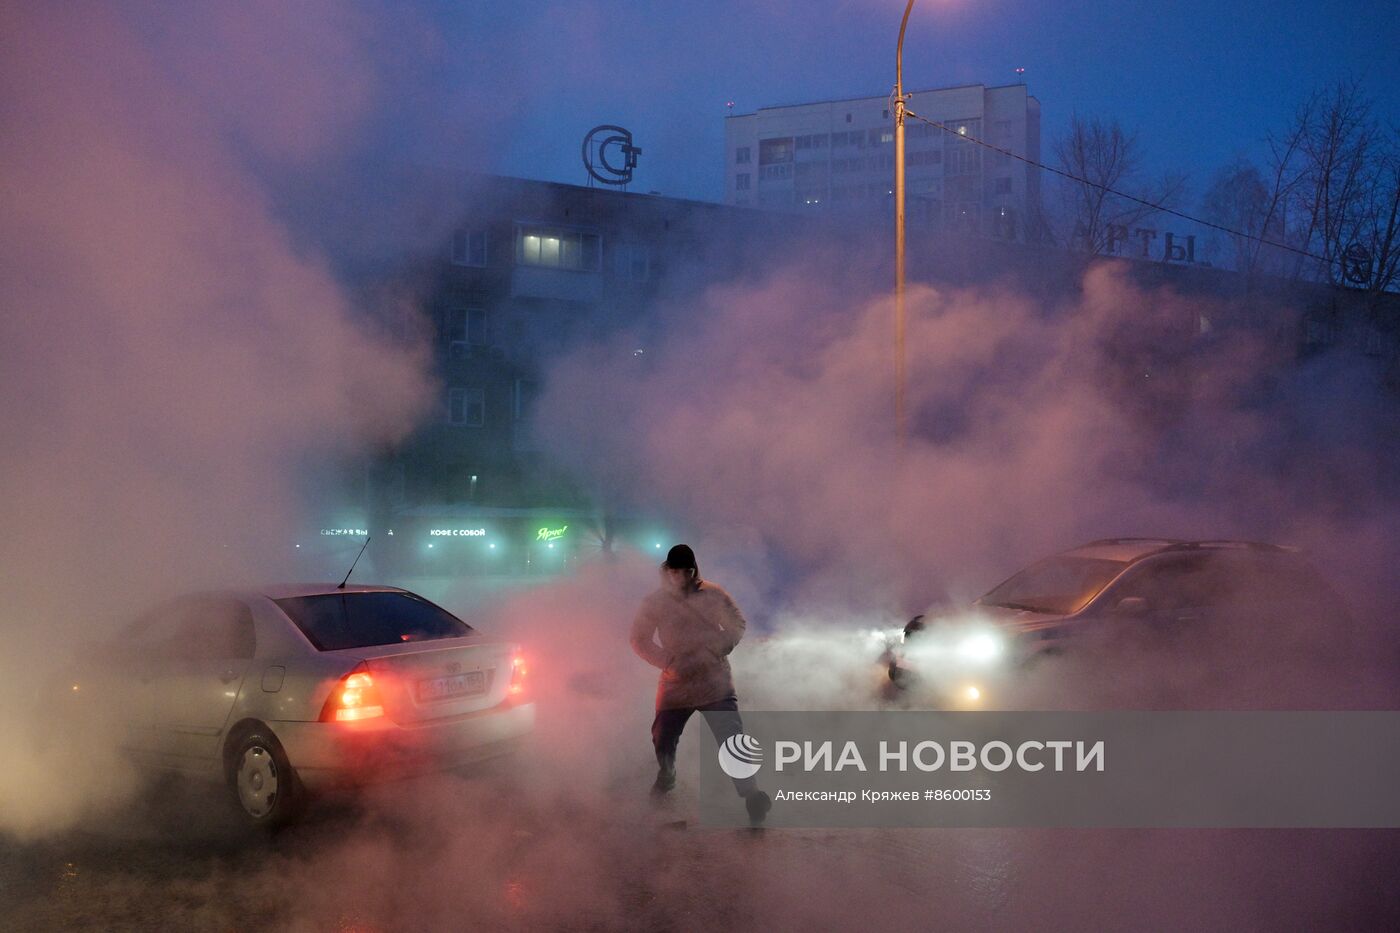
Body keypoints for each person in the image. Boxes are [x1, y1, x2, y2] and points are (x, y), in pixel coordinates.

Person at [629, 544, 771, 826]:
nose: (682, 576)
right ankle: (667, 776)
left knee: (732, 741)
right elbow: (638, 638)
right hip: (675, 682)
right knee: (663, 738)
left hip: (713, 680)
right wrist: (665, 660)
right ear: (668, 571)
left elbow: (736, 623)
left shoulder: (713, 594)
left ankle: (751, 795)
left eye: (687, 571)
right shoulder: (655, 602)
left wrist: (719, 648)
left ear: (694, 570)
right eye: (676, 571)